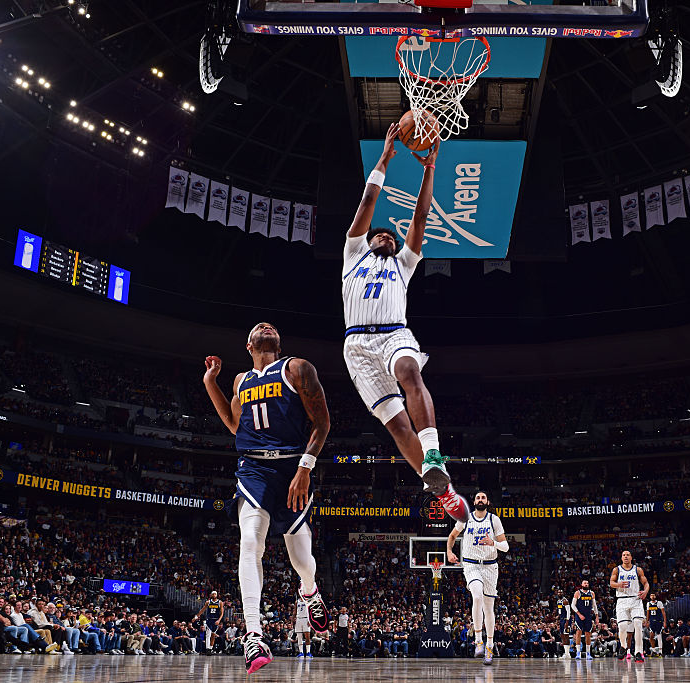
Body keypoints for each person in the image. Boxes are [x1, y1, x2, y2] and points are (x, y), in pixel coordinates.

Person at [340, 124, 469, 523]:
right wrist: (384, 159)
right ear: (368, 241)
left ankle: (433, 452)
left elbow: (422, 215)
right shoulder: (353, 254)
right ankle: (444, 491)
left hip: (395, 333)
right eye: (382, 236)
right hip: (357, 347)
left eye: (392, 239)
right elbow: (367, 202)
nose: (388, 239)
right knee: (397, 427)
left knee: (411, 372)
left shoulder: (403, 263)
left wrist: (429, 169)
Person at [203, 323, 332, 674]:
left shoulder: (297, 368)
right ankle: (254, 635)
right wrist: (210, 382)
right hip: (254, 469)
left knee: (301, 559)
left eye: (270, 326)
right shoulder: (240, 381)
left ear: (277, 342)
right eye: (258, 328)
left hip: (292, 467)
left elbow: (322, 423)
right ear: (249, 346)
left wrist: (305, 467)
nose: (265, 326)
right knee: (250, 542)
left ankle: (309, 591)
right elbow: (234, 424)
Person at [446, 491, 508, 666]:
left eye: (483, 497)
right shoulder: (465, 518)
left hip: (490, 566)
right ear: (474, 502)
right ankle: (478, 640)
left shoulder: (494, 520)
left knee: (488, 609)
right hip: (471, 564)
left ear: (487, 502)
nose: (480, 500)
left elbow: (505, 547)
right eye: (478, 498)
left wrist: (493, 542)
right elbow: (452, 536)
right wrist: (449, 552)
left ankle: (489, 645)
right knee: (477, 596)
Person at [611, 550, 650, 662]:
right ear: (621, 558)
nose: (626, 556)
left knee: (638, 624)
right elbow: (611, 583)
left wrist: (645, 591)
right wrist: (618, 584)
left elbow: (646, 583)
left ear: (631, 557)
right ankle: (623, 646)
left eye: (628, 555)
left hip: (635, 599)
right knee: (622, 626)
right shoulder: (617, 569)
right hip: (622, 600)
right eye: (624, 555)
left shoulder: (637, 569)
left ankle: (638, 652)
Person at [571, 579, 601, 661]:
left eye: (587, 583)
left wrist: (597, 616)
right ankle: (578, 652)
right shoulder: (577, 593)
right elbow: (573, 605)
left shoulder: (592, 593)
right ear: (582, 584)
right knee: (578, 633)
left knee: (588, 634)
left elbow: (594, 606)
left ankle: (588, 653)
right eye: (585, 583)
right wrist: (579, 614)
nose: (586, 584)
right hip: (579, 615)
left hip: (588, 616)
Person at [555, 590, 572, 657]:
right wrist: (558, 617)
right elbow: (560, 610)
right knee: (562, 635)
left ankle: (568, 653)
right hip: (561, 619)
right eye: (558, 592)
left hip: (566, 619)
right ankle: (566, 653)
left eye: (561, 592)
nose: (559, 594)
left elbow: (568, 611)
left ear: (563, 593)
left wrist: (567, 622)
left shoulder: (565, 601)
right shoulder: (558, 601)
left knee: (566, 635)